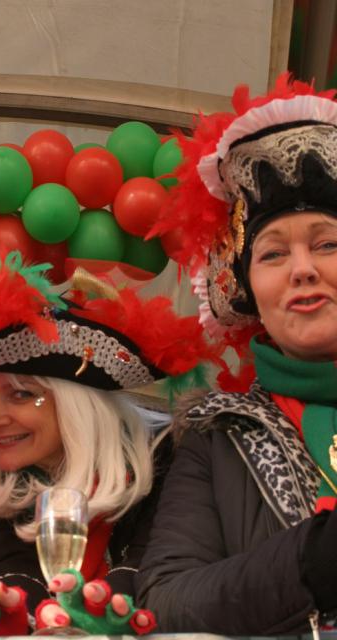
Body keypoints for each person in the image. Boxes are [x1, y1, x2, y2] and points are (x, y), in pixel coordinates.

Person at [0, 250, 221, 640]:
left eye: (21, 394)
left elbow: (152, 572)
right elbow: (7, 569)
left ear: (79, 408)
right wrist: (3, 611)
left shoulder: (170, 460)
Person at [136, 72, 337, 635]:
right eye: (273, 254)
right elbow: (165, 602)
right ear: (248, 290)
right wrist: (311, 561)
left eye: (327, 243)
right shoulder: (217, 433)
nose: (302, 269)